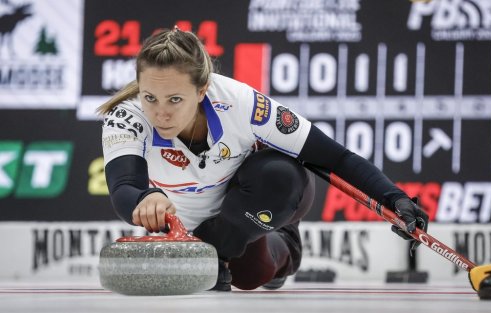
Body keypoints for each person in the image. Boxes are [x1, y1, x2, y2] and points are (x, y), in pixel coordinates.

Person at [97, 27, 429, 291]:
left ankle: (282, 242)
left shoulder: (239, 102)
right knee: (247, 274)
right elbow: (124, 186)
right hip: (193, 230)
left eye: (174, 99)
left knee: (279, 180)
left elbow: (334, 158)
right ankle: (219, 254)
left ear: (202, 91)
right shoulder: (126, 116)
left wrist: (394, 198)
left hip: (246, 204)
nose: (160, 113)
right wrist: (145, 198)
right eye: (150, 97)